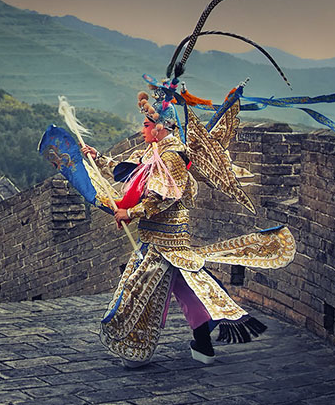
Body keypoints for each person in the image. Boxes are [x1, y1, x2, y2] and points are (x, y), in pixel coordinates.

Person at [81, 88, 296, 367]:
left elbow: (165, 196)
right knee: (186, 289)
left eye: (145, 125)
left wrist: (130, 212)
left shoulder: (172, 156)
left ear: (159, 128)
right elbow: (128, 171)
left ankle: (134, 348)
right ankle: (203, 345)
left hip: (165, 239)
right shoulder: (154, 151)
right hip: (157, 235)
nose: (142, 130)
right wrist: (97, 157)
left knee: (139, 289)